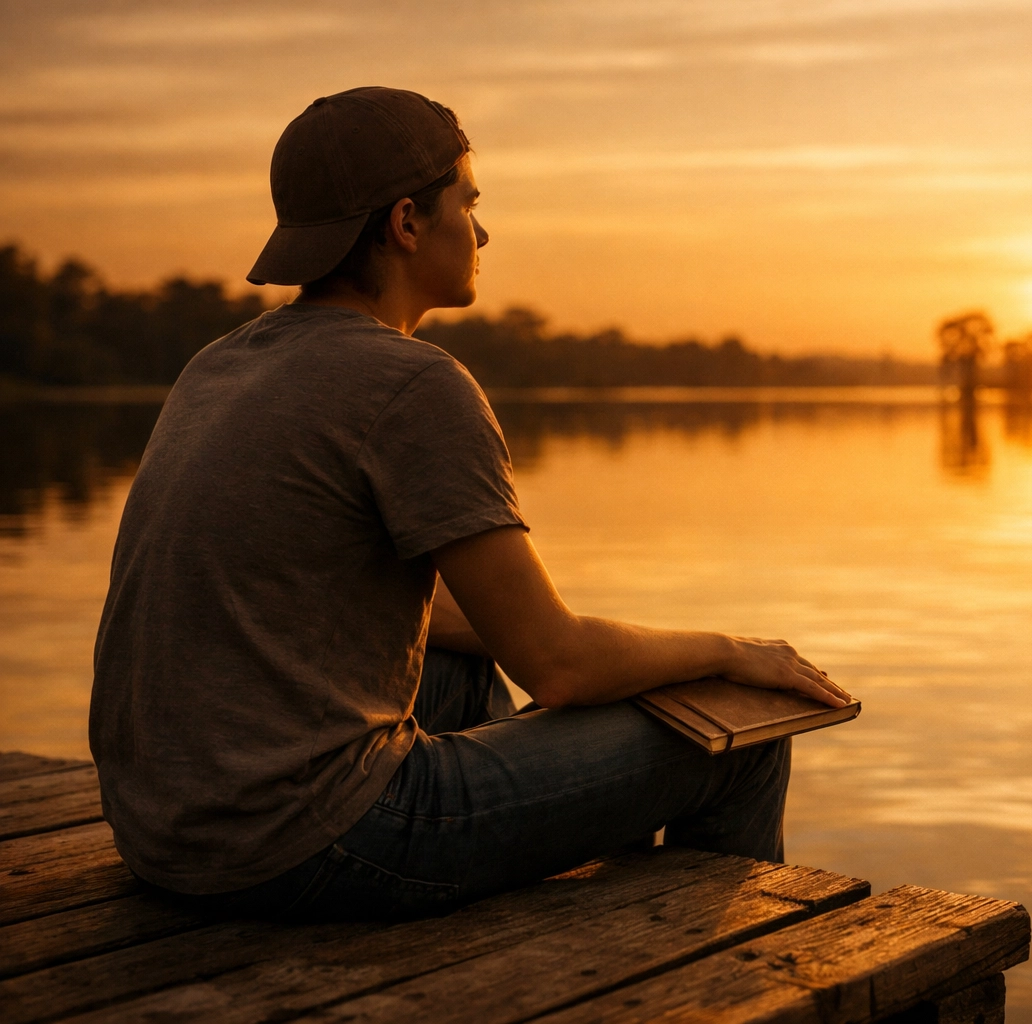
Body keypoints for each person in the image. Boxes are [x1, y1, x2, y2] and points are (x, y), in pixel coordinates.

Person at [89, 86, 848, 921]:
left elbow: (464, 624)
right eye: (469, 203)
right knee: (741, 728)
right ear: (407, 223)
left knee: (454, 663)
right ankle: (693, 974)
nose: (481, 233)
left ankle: (563, 864)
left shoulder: (220, 365)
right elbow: (557, 665)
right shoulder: (412, 383)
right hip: (309, 844)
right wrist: (729, 651)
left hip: (165, 833)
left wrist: (610, 661)